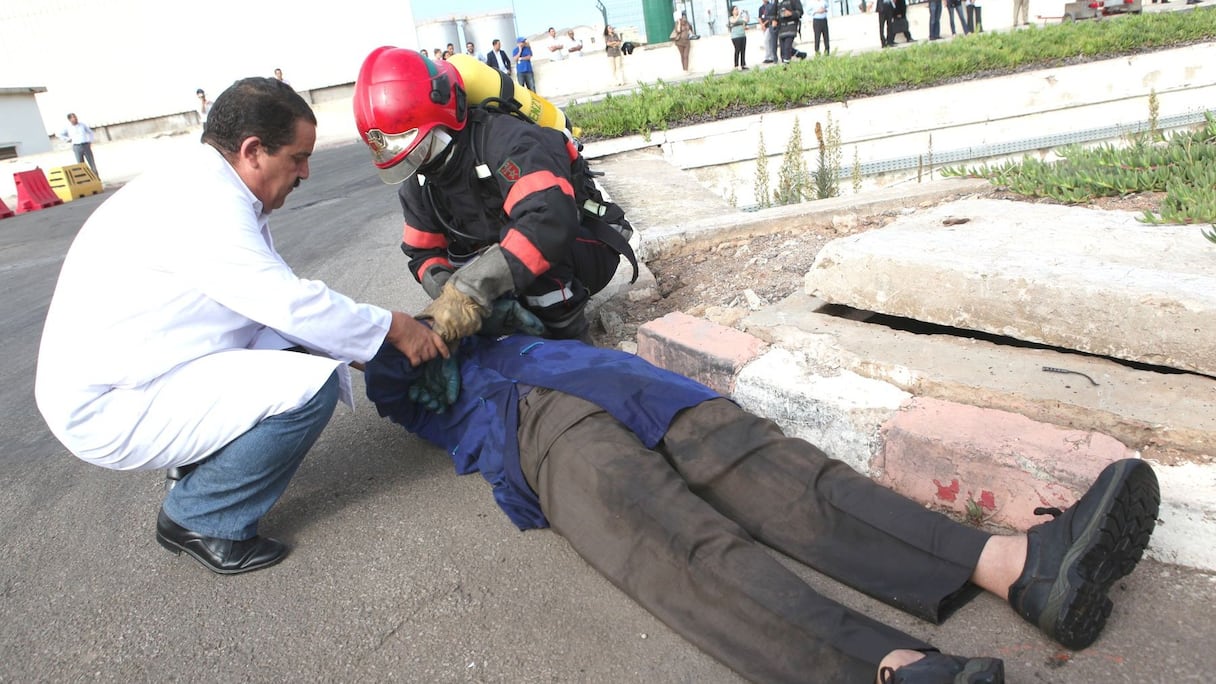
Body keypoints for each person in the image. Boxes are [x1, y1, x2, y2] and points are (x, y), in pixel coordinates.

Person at [363, 331, 1162, 684]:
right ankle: (884, 670)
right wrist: (408, 338)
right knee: (678, 547)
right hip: (534, 421)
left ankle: (1019, 567)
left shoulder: (505, 288)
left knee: (788, 475)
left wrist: (490, 284)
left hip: (619, 380)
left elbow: (558, 243)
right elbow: (392, 387)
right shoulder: (394, 370)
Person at [34, 77, 448, 576]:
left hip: (143, 366)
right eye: (297, 158)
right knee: (309, 388)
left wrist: (363, 346)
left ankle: (197, 464)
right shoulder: (202, 204)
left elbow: (274, 304)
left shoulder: (207, 183)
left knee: (302, 352)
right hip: (110, 403)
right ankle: (201, 515)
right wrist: (394, 329)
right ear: (253, 151)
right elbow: (287, 303)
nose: (306, 172)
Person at [352, 47, 636, 342]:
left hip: (583, 246)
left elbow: (548, 219)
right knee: (477, 295)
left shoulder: (505, 141)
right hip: (513, 255)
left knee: (541, 267)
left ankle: (572, 352)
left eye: (420, 149)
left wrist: (471, 289)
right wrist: (451, 298)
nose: (416, 162)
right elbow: (422, 253)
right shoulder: (422, 182)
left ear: (443, 116)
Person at [58, 112, 98, 178]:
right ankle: (85, 179)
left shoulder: (82, 125)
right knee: (80, 164)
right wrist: (68, 139)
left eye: (75, 117)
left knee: (91, 162)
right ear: (70, 120)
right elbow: (60, 135)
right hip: (77, 146)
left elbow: (90, 132)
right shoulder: (67, 127)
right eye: (73, 118)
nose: (75, 119)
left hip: (85, 145)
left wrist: (90, 141)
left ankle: (96, 178)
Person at [729, 6, 750, 70]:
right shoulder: (731, 18)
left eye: (737, 9)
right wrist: (739, 15)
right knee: (737, 50)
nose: (737, 10)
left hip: (742, 35)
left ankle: (743, 64)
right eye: (735, 9)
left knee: (743, 50)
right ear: (732, 11)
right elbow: (734, 21)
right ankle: (736, 65)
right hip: (735, 36)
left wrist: (747, 14)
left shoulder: (741, 18)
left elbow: (746, 22)